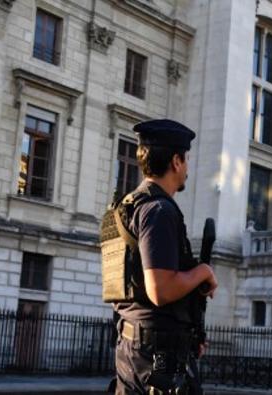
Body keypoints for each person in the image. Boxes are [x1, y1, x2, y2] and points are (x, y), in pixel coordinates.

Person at [101, 119, 217, 394]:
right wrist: (203, 272)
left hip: (133, 347)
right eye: (186, 159)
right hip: (158, 354)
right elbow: (160, 289)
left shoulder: (127, 207)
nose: (187, 168)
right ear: (176, 161)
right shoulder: (158, 210)